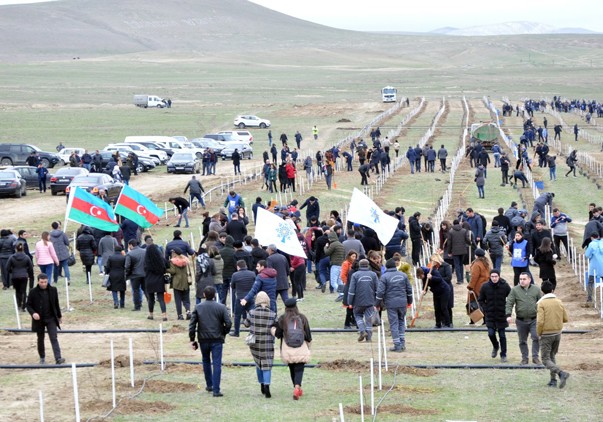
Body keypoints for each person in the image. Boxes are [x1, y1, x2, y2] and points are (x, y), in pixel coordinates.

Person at [189, 286, 232, 398]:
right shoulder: (221, 307)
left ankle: (210, 385)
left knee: (206, 361)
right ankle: (216, 390)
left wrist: (192, 339)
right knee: (217, 363)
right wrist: (223, 332)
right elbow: (228, 323)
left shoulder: (198, 307)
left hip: (203, 339)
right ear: (214, 295)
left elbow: (192, 325)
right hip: (217, 339)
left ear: (204, 295)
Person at [271, 298, 312, 400]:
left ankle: (296, 387)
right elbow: (308, 336)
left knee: (292, 367)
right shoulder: (302, 318)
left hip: (287, 348)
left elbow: (278, 334)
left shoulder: (282, 319)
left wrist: (272, 329)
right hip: (301, 347)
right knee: (299, 368)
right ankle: (297, 387)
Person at [26, 273, 65, 364]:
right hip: (38, 320)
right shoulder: (33, 292)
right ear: (38, 281)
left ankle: (58, 358)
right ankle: (42, 357)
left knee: (53, 337)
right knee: (40, 338)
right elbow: (28, 305)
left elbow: (56, 304)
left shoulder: (53, 290)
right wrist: (33, 313)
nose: (43, 284)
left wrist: (59, 316)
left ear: (48, 281)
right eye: (41, 282)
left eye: (45, 282)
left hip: (51, 318)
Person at [537, 280, 570, 388]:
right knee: (552, 356)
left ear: (542, 291)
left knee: (545, 359)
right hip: (557, 333)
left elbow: (540, 321)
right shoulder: (559, 301)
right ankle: (553, 380)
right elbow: (565, 318)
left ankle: (561, 373)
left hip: (546, 334)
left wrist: (539, 333)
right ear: (552, 290)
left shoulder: (541, 303)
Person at [376, 258, 413, 352]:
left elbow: (380, 292)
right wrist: (410, 301)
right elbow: (409, 289)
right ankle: (402, 343)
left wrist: (377, 303)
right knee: (401, 322)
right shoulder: (403, 275)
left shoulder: (384, 277)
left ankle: (397, 345)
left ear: (387, 267)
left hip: (391, 303)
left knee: (394, 324)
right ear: (395, 266)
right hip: (402, 302)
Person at [505, 272, 542, 365]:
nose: (522, 281)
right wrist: (508, 315)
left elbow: (541, 303)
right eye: (520, 279)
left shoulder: (536, 290)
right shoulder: (514, 290)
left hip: (534, 319)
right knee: (522, 340)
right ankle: (524, 358)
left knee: (536, 337)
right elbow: (509, 302)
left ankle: (535, 357)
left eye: (524, 279)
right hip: (521, 320)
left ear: (529, 279)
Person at [248, 291, 276, 398]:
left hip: (254, 343)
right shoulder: (272, 314)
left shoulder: (252, 312)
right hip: (267, 342)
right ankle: (267, 386)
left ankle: (261, 384)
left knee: (258, 362)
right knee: (267, 364)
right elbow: (275, 326)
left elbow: (246, 323)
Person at [478, 269, 511, 363]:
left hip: (501, 314)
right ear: (490, 277)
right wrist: (485, 308)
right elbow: (480, 300)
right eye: (492, 276)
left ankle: (503, 354)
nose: (494, 278)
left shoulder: (505, 286)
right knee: (491, 333)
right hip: (490, 314)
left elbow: (511, 297)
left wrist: (507, 309)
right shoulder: (485, 286)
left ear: (499, 276)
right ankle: (496, 346)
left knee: (502, 335)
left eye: (496, 276)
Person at [348, 259, 378, 342]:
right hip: (370, 300)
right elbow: (377, 289)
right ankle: (369, 338)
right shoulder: (373, 275)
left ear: (359, 265)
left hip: (358, 301)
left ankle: (362, 331)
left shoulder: (355, 275)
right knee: (368, 318)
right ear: (368, 265)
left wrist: (350, 302)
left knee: (358, 316)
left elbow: (351, 290)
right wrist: (377, 301)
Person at [230, 259, 256, 336]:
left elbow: (232, 286)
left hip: (240, 298)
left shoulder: (235, 275)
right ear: (246, 266)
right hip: (250, 297)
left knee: (237, 316)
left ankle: (236, 332)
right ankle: (254, 332)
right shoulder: (252, 274)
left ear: (238, 267)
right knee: (253, 315)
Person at [166, 247, 193, 320]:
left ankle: (180, 315)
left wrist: (166, 269)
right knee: (186, 299)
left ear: (175, 253)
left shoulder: (172, 261)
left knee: (178, 299)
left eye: (172, 252)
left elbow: (173, 271)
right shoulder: (185, 260)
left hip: (177, 282)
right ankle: (188, 312)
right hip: (186, 281)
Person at [7, 242, 34, 311]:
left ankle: (18, 305)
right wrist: (28, 273)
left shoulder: (12, 257)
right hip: (24, 275)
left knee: (17, 291)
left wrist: (12, 271)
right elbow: (30, 267)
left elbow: (7, 267)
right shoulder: (26, 257)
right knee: (23, 291)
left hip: (15, 276)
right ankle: (23, 306)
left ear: (16, 249)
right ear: (23, 249)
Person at [144, 243, 168, 321]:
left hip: (149, 281)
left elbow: (144, 270)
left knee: (151, 299)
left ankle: (151, 314)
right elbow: (166, 266)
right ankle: (164, 315)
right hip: (159, 280)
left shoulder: (146, 261)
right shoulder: (160, 260)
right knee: (161, 298)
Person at [125, 239, 146, 311]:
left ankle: (137, 306)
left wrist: (126, 275)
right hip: (144, 274)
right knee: (146, 289)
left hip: (135, 275)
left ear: (131, 245)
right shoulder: (144, 251)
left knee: (136, 290)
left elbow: (127, 266)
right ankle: (150, 302)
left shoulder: (130, 254)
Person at [105, 245, 127, 309]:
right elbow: (126, 266)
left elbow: (107, 267)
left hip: (113, 274)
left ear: (114, 250)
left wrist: (107, 273)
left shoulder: (111, 257)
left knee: (114, 289)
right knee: (122, 289)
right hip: (121, 274)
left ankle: (116, 302)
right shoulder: (123, 257)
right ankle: (122, 304)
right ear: (121, 251)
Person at [585, 233, 603, 304]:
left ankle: (589, 298)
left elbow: (587, 255)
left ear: (592, 237)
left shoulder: (591, 244)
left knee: (590, 282)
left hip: (594, 267)